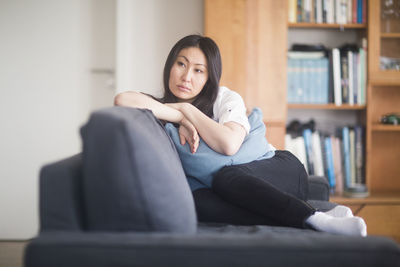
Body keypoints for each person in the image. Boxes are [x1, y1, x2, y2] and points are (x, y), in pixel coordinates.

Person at [114, 34, 367, 237]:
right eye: (181, 64)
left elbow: (228, 144)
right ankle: (320, 216)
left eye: (198, 70)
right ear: (170, 65)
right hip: (234, 194)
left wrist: (187, 110)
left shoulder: (225, 98)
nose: (186, 77)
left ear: (210, 77)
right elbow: (122, 99)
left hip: (280, 170)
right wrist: (179, 117)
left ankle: (314, 219)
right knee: (198, 204)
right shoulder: (161, 109)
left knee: (226, 176)